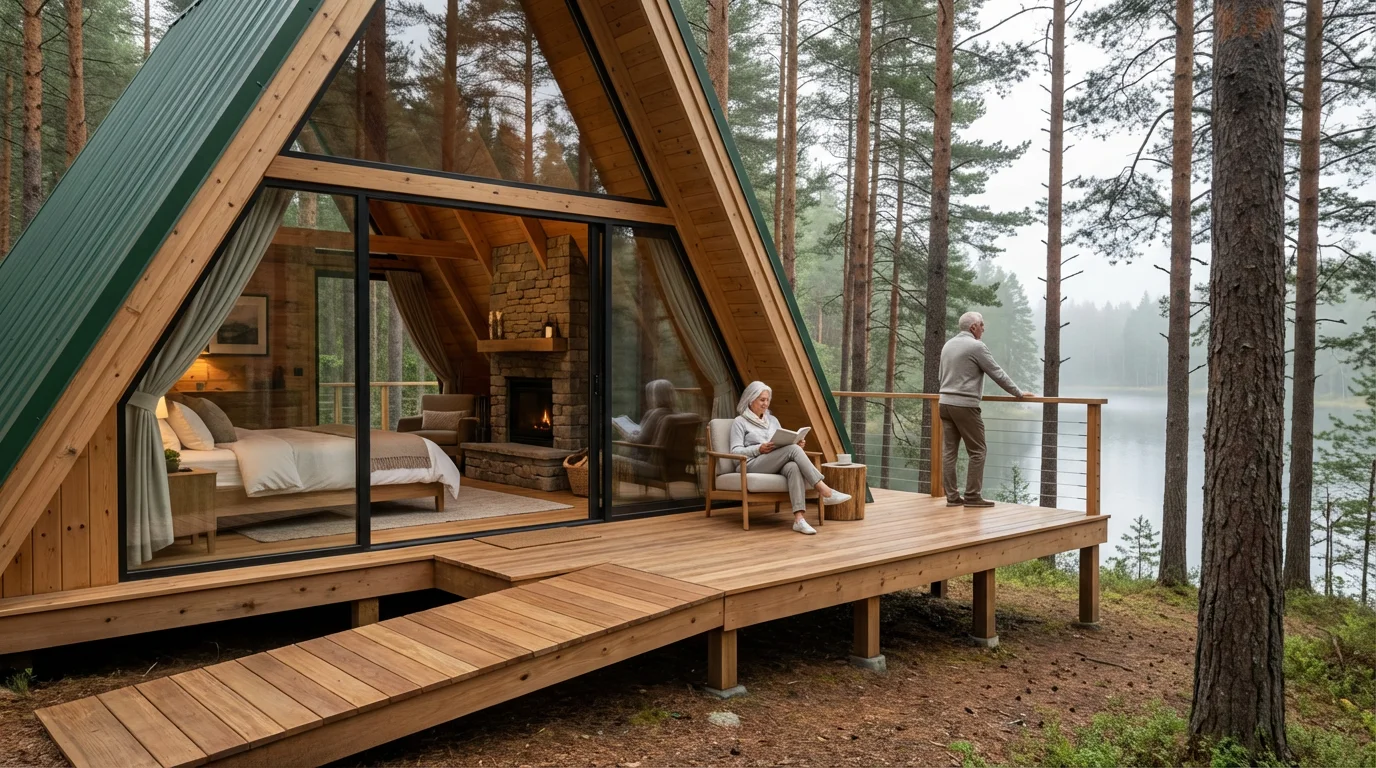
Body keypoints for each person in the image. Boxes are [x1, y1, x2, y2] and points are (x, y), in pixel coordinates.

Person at [938, 311, 1037, 508]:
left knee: (949, 452)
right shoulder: (976, 346)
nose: (984, 328)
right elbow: (997, 373)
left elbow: (942, 375)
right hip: (964, 405)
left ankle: (952, 497)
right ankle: (973, 497)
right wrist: (1018, 393)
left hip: (944, 403)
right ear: (973, 327)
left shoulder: (948, 345)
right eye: (982, 324)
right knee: (978, 450)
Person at [729, 381, 852, 534]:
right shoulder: (740, 422)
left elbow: (780, 441)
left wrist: (795, 443)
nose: (766, 403)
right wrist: (758, 448)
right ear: (750, 399)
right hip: (750, 464)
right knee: (793, 450)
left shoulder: (772, 420)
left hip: (773, 462)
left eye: (767, 400)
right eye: (762, 400)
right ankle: (824, 490)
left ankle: (799, 520)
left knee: (793, 466)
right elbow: (734, 452)